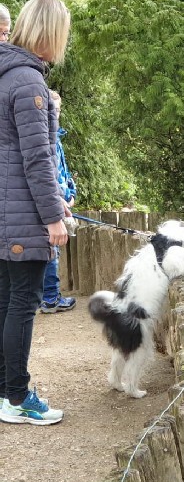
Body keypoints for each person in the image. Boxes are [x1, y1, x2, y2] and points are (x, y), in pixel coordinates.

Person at [0, 0, 71, 425]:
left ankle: (4, 392)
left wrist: (54, 199)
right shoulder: (27, 81)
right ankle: (18, 396)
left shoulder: (7, 73)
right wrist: (52, 216)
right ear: (51, 34)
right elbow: (36, 157)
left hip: (7, 212)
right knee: (22, 303)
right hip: (24, 217)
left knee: (6, 299)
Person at [39, 90, 77, 314]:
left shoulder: (57, 138)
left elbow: (62, 171)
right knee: (52, 249)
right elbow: (49, 173)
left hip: (61, 198)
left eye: (59, 109)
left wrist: (70, 190)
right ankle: (51, 298)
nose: (57, 113)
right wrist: (62, 196)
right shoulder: (46, 139)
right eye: (53, 109)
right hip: (53, 202)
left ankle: (45, 296)